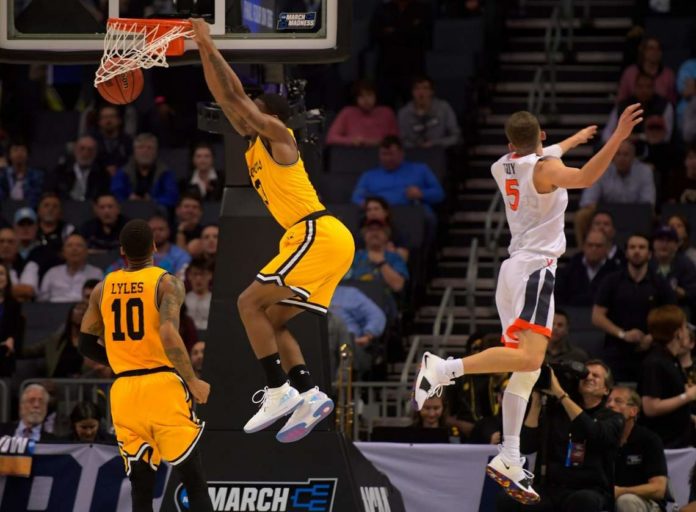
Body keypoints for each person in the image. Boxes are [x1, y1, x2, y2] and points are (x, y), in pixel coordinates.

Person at [414, 103, 642, 503]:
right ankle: (445, 368)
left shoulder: (502, 166)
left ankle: (510, 454)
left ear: (510, 145)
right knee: (529, 361)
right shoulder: (546, 169)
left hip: (515, 270)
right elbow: (585, 176)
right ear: (539, 137)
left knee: (527, 365)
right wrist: (616, 136)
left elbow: (545, 153)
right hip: (536, 270)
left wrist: (573, 140)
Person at [191, 19, 355, 443]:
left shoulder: (280, 135)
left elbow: (239, 99)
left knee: (247, 302)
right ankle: (308, 392)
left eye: (255, 112)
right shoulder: (254, 145)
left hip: (316, 232)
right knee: (271, 322)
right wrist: (202, 49)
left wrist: (207, 40)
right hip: (321, 241)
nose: (244, 115)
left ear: (271, 117)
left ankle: (279, 390)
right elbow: (226, 96)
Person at [78, 219, 213, 512]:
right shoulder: (167, 283)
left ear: (122, 250)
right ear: (154, 246)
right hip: (162, 386)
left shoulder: (102, 288)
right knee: (193, 480)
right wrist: (192, 380)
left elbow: (85, 345)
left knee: (140, 486)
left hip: (124, 391)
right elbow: (167, 333)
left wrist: (120, 360)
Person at [496, 361, 624, 512]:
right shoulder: (557, 412)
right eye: (585, 374)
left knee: (582, 501)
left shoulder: (613, 418)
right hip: (551, 488)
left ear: (606, 390)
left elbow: (593, 432)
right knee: (508, 498)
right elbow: (526, 445)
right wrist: (537, 399)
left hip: (590, 489)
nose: (588, 377)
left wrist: (560, 393)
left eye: (596, 376)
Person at [593, 234, 677, 382]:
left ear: (650, 254)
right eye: (632, 247)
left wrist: (652, 337)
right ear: (626, 253)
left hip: (653, 349)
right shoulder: (611, 281)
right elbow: (597, 317)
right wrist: (623, 334)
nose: (636, 251)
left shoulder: (660, 283)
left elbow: (673, 316)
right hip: (616, 348)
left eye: (641, 247)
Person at [575, 140, 655, 246]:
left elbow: (648, 203)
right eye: (618, 154)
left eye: (626, 154)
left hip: (635, 213)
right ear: (612, 156)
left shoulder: (645, 171)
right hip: (606, 212)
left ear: (633, 157)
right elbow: (587, 201)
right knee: (582, 215)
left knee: (651, 215)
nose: (622, 158)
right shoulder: (601, 169)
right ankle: (585, 252)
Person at [641, 304, 696, 448]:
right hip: (666, 445)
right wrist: (687, 396)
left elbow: (669, 395)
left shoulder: (672, 359)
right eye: (684, 327)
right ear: (678, 333)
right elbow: (650, 407)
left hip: (681, 439)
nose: (687, 331)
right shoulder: (654, 363)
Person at [607, 386, 668, 512]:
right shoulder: (602, 437)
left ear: (633, 411)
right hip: (609, 498)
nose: (610, 405)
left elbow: (659, 489)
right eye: (608, 401)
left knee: (626, 500)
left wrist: (621, 491)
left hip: (645, 502)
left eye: (618, 401)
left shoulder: (649, 440)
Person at [351, 135, 445, 215]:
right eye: (384, 154)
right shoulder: (369, 176)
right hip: (380, 214)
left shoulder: (421, 169)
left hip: (411, 211)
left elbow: (439, 194)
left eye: (391, 154)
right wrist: (366, 204)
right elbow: (356, 197)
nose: (387, 158)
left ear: (401, 153)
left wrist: (421, 194)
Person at [110, 133, 179, 209]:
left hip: (156, 211)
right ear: (134, 151)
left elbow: (172, 196)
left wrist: (153, 201)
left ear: (156, 152)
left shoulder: (165, 172)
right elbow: (116, 193)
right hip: (128, 210)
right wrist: (129, 200)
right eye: (140, 147)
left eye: (149, 148)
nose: (145, 151)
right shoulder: (123, 172)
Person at [555, 229, 620, 307]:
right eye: (590, 245)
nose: (594, 249)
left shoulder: (615, 272)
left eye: (598, 246)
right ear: (584, 246)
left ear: (606, 248)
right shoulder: (569, 270)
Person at [22, 301, 88, 378]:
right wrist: (20, 325)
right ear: (71, 313)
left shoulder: (94, 343)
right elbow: (26, 352)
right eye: (79, 308)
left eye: (85, 310)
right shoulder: (55, 341)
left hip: (81, 386)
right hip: (55, 384)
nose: (82, 312)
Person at [325, 80, 399, 147]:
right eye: (361, 96)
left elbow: (396, 140)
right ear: (356, 98)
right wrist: (352, 141)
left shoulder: (387, 113)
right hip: (354, 155)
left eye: (369, 95)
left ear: (375, 95)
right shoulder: (347, 112)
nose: (366, 100)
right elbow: (331, 138)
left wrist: (381, 142)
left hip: (382, 155)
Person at [397, 75, 461, 148]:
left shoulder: (444, 108)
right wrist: (418, 146)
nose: (421, 92)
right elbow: (402, 141)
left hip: (441, 151)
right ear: (412, 92)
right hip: (415, 153)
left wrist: (435, 143)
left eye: (425, 88)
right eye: (417, 88)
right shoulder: (404, 113)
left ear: (432, 91)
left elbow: (455, 136)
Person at [38, 234, 103, 303]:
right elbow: (42, 302)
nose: (74, 249)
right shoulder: (52, 273)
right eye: (69, 245)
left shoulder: (96, 274)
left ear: (86, 251)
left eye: (79, 245)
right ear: (63, 252)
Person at [45, 135, 111, 202]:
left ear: (95, 153)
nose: (85, 153)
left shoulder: (103, 175)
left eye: (90, 150)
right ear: (75, 150)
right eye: (82, 148)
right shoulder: (60, 171)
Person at [617, 37, 676, 105]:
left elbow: (672, 101)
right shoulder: (630, 73)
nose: (655, 51)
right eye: (651, 48)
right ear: (643, 51)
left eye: (658, 49)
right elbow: (621, 99)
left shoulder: (668, 74)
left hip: (660, 113)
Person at [652, 225, 696, 316]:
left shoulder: (686, 265)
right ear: (653, 244)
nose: (664, 244)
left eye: (669, 241)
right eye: (660, 240)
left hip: (678, 312)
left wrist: (681, 293)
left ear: (676, 245)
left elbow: (692, 293)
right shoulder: (646, 264)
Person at [359, 196, 409, 261]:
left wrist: (394, 252)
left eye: (376, 209)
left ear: (386, 212)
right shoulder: (360, 233)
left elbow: (404, 257)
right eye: (369, 210)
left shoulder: (397, 232)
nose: (372, 213)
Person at [0, 140, 44, 207]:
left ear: (28, 154)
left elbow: (35, 197)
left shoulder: (37, 175)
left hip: (28, 210)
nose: (19, 153)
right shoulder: (3, 175)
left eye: (22, 150)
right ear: (9, 155)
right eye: (15, 150)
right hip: (6, 210)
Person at [90, 105, 133, 176]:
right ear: (99, 122)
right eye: (105, 117)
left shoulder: (128, 141)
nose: (108, 120)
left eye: (112, 116)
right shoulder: (91, 141)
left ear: (119, 120)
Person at [0, 263, 22, 377]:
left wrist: (12, 339)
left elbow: (17, 331)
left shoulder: (14, 305)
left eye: (2, 274)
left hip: (4, 356)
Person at [185, 258, 213, 331]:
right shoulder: (183, 300)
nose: (198, 278)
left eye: (202, 274)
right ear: (189, 276)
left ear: (210, 275)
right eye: (195, 274)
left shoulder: (214, 301)